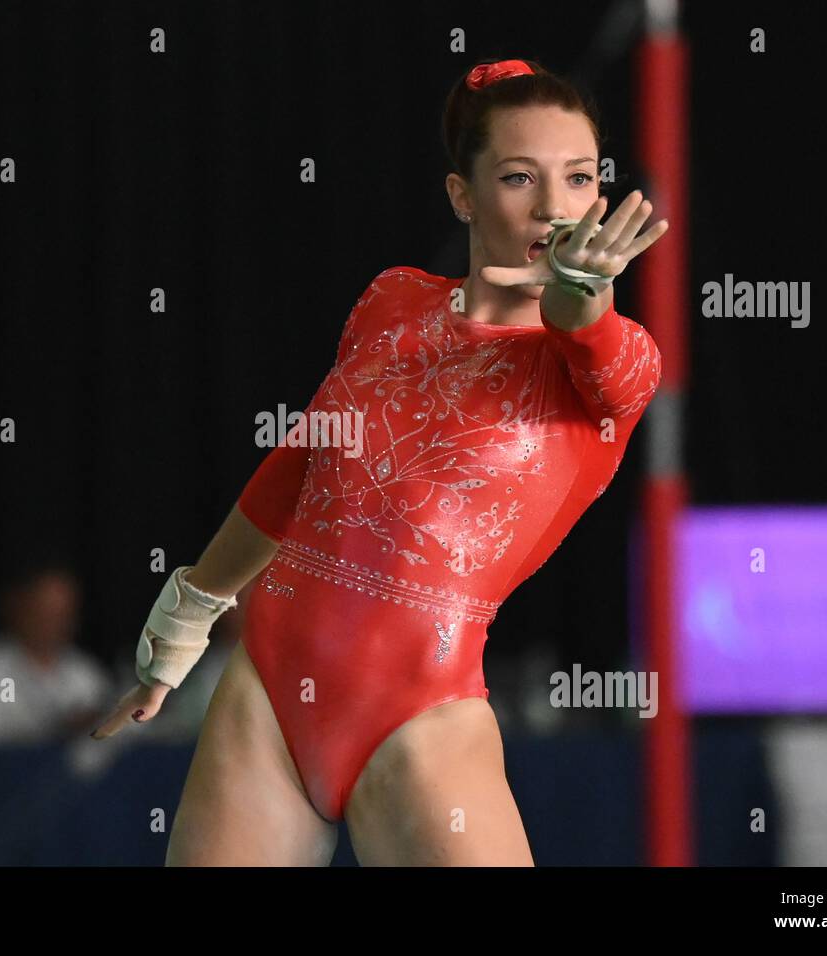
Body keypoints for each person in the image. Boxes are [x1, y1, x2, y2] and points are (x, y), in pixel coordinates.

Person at [94, 57, 668, 866]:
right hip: (266, 691)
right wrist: (183, 623)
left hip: (420, 721)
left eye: (578, 179)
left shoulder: (614, 367)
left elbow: (584, 320)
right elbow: (298, 469)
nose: (553, 207)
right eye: (518, 177)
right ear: (462, 196)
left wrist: (581, 292)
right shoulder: (393, 300)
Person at [0, 567, 113, 744]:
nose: (58, 624)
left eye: (65, 613)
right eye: (46, 612)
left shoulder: (88, 674)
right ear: (19, 607)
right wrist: (60, 729)